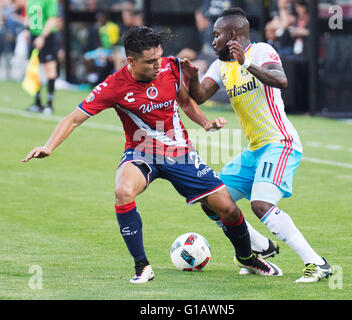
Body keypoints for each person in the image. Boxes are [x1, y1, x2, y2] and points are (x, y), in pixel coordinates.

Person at [23, 26, 282, 283]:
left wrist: (204, 123)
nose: (158, 65)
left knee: (229, 210)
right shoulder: (113, 86)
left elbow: (185, 101)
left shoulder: (171, 67)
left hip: (181, 154)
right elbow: (73, 119)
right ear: (131, 62)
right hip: (141, 153)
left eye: (159, 58)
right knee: (123, 190)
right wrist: (49, 146)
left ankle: (247, 257)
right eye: (150, 62)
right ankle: (142, 266)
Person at [181, 7, 332, 283]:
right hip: (255, 151)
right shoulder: (219, 65)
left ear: (233, 35)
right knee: (211, 201)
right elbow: (200, 96)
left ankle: (317, 263)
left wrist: (247, 64)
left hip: (280, 143)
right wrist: (191, 76)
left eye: (217, 35)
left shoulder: (262, 51)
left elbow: (282, 81)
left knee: (261, 204)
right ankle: (260, 246)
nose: (212, 40)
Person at [25, 0, 59, 115]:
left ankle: (49, 105)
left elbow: (52, 19)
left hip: (47, 37)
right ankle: (37, 103)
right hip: (33, 35)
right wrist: (26, 30)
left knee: (50, 69)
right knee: (33, 69)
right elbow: (29, 15)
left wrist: (42, 36)